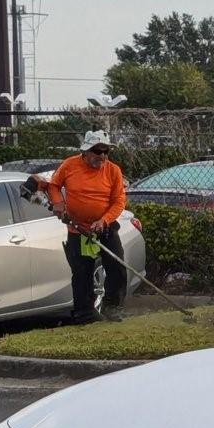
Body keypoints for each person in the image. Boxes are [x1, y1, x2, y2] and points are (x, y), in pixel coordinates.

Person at [31, 131, 127, 323]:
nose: (102, 156)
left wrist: (104, 220)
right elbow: (54, 186)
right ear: (86, 151)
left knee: (116, 267)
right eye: (97, 151)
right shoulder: (70, 165)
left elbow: (119, 200)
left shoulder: (113, 170)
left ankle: (112, 306)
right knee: (82, 272)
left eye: (105, 151)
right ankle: (85, 313)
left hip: (104, 227)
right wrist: (58, 204)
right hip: (77, 229)